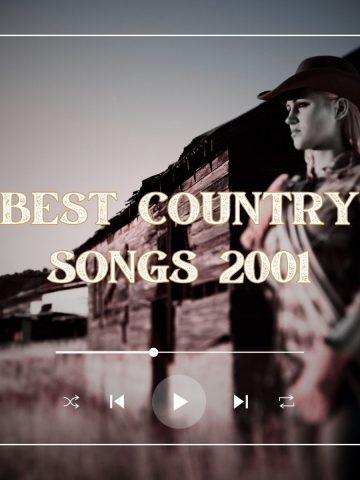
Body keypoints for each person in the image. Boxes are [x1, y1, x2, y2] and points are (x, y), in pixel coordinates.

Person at [240, 56, 360, 479]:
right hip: (296, 373)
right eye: (286, 108)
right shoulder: (288, 192)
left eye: (302, 105)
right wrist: (269, 207)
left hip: (344, 379)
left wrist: (329, 363)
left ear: (341, 107)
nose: (288, 116)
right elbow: (259, 260)